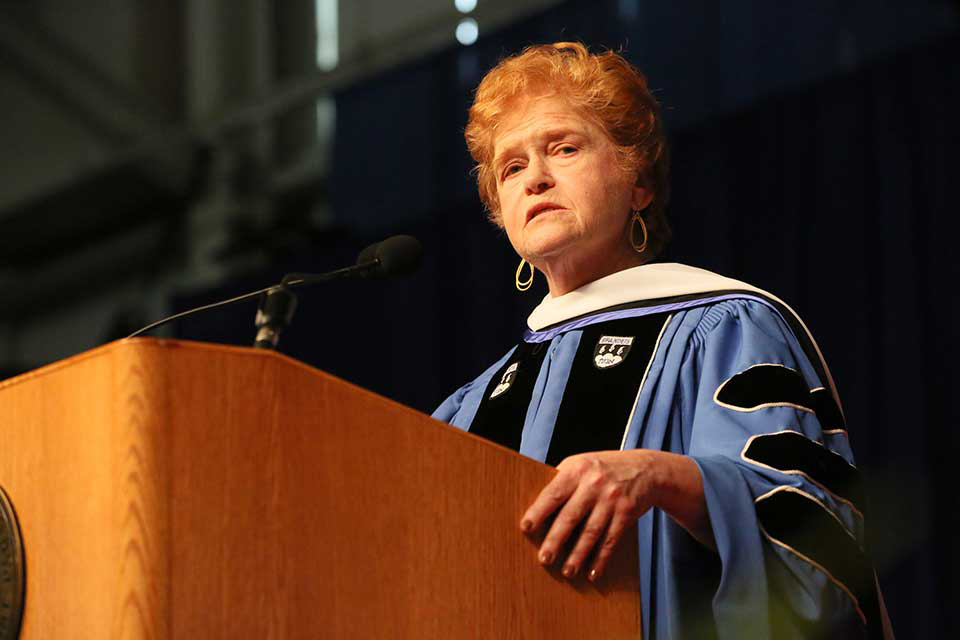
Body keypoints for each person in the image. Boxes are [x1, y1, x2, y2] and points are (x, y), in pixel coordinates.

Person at [432, 42, 893, 639]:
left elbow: (813, 547)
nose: (535, 179)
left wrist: (660, 476)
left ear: (638, 183)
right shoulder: (467, 407)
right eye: (511, 168)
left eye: (563, 148)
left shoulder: (724, 328)